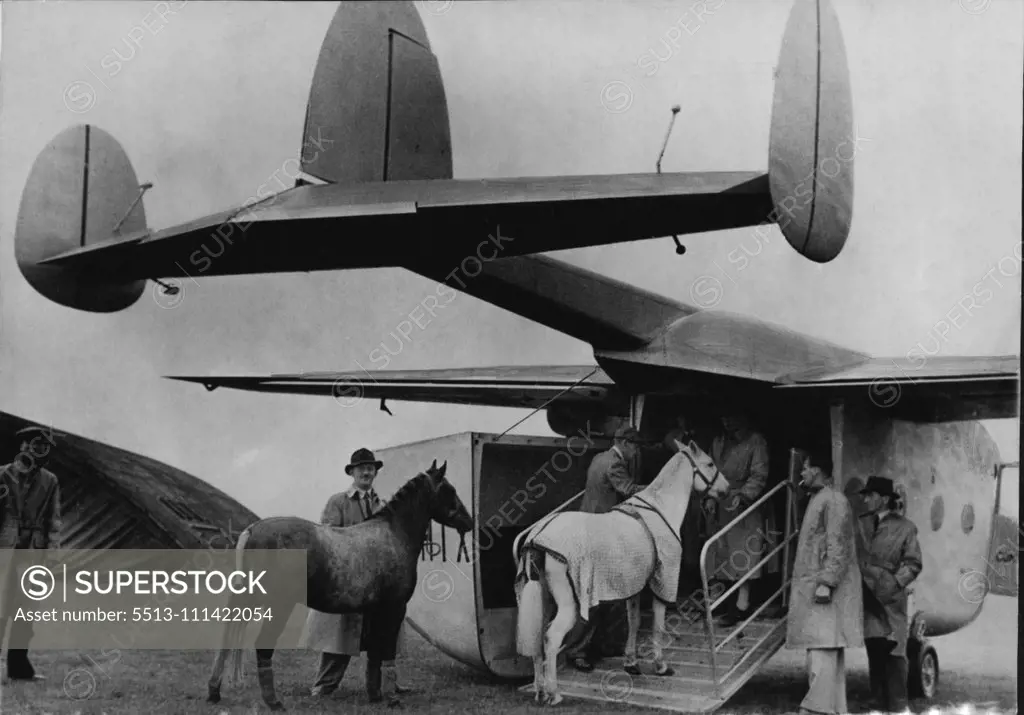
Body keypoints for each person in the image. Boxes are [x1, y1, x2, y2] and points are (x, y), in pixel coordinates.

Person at [300, 448, 411, 702]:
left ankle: (386, 685)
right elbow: (327, 538)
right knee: (340, 638)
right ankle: (324, 686)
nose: (367, 472)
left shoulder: (383, 505)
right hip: (347, 580)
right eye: (361, 468)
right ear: (352, 472)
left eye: (371, 468)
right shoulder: (338, 502)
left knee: (382, 636)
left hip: (378, 584)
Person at [785, 447, 863, 715]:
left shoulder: (833, 500)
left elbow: (837, 544)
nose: (802, 473)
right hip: (818, 589)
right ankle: (833, 709)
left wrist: (827, 582)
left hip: (826, 592)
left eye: (805, 468)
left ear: (816, 470)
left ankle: (815, 709)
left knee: (822, 652)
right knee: (823, 650)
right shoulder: (821, 498)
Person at [569, 424, 645, 672]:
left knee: (605, 591)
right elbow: (628, 490)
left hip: (588, 528)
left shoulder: (599, 458)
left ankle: (607, 644)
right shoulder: (615, 463)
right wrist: (658, 490)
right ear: (624, 443)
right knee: (596, 594)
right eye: (635, 445)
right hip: (600, 534)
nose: (637, 451)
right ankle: (579, 651)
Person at [0, 426, 62, 682]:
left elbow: (54, 520)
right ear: (23, 446)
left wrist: (52, 555)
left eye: (43, 447)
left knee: (26, 610)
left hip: (33, 553)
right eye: (34, 444)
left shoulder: (50, 480)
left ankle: (19, 668)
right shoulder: (3, 474)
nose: (37, 451)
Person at [856, 476, 922, 714]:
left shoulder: (906, 527)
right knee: (874, 645)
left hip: (890, 598)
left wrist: (895, 583)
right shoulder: (861, 524)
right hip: (866, 593)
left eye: (870, 495)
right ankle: (877, 699)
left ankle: (898, 704)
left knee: (895, 650)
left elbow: (914, 563)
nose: (865, 499)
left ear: (883, 499)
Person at [708, 411, 770, 627]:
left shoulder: (756, 441)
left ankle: (742, 604)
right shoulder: (718, 441)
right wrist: (710, 496)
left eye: (731, 415)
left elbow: (759, 474)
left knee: (743, 552)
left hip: (744, 504)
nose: (726, 420)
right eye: (724, 417)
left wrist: (744, 496)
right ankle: (722, 601)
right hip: (720, 500)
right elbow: (709, 471)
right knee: (720, 552)